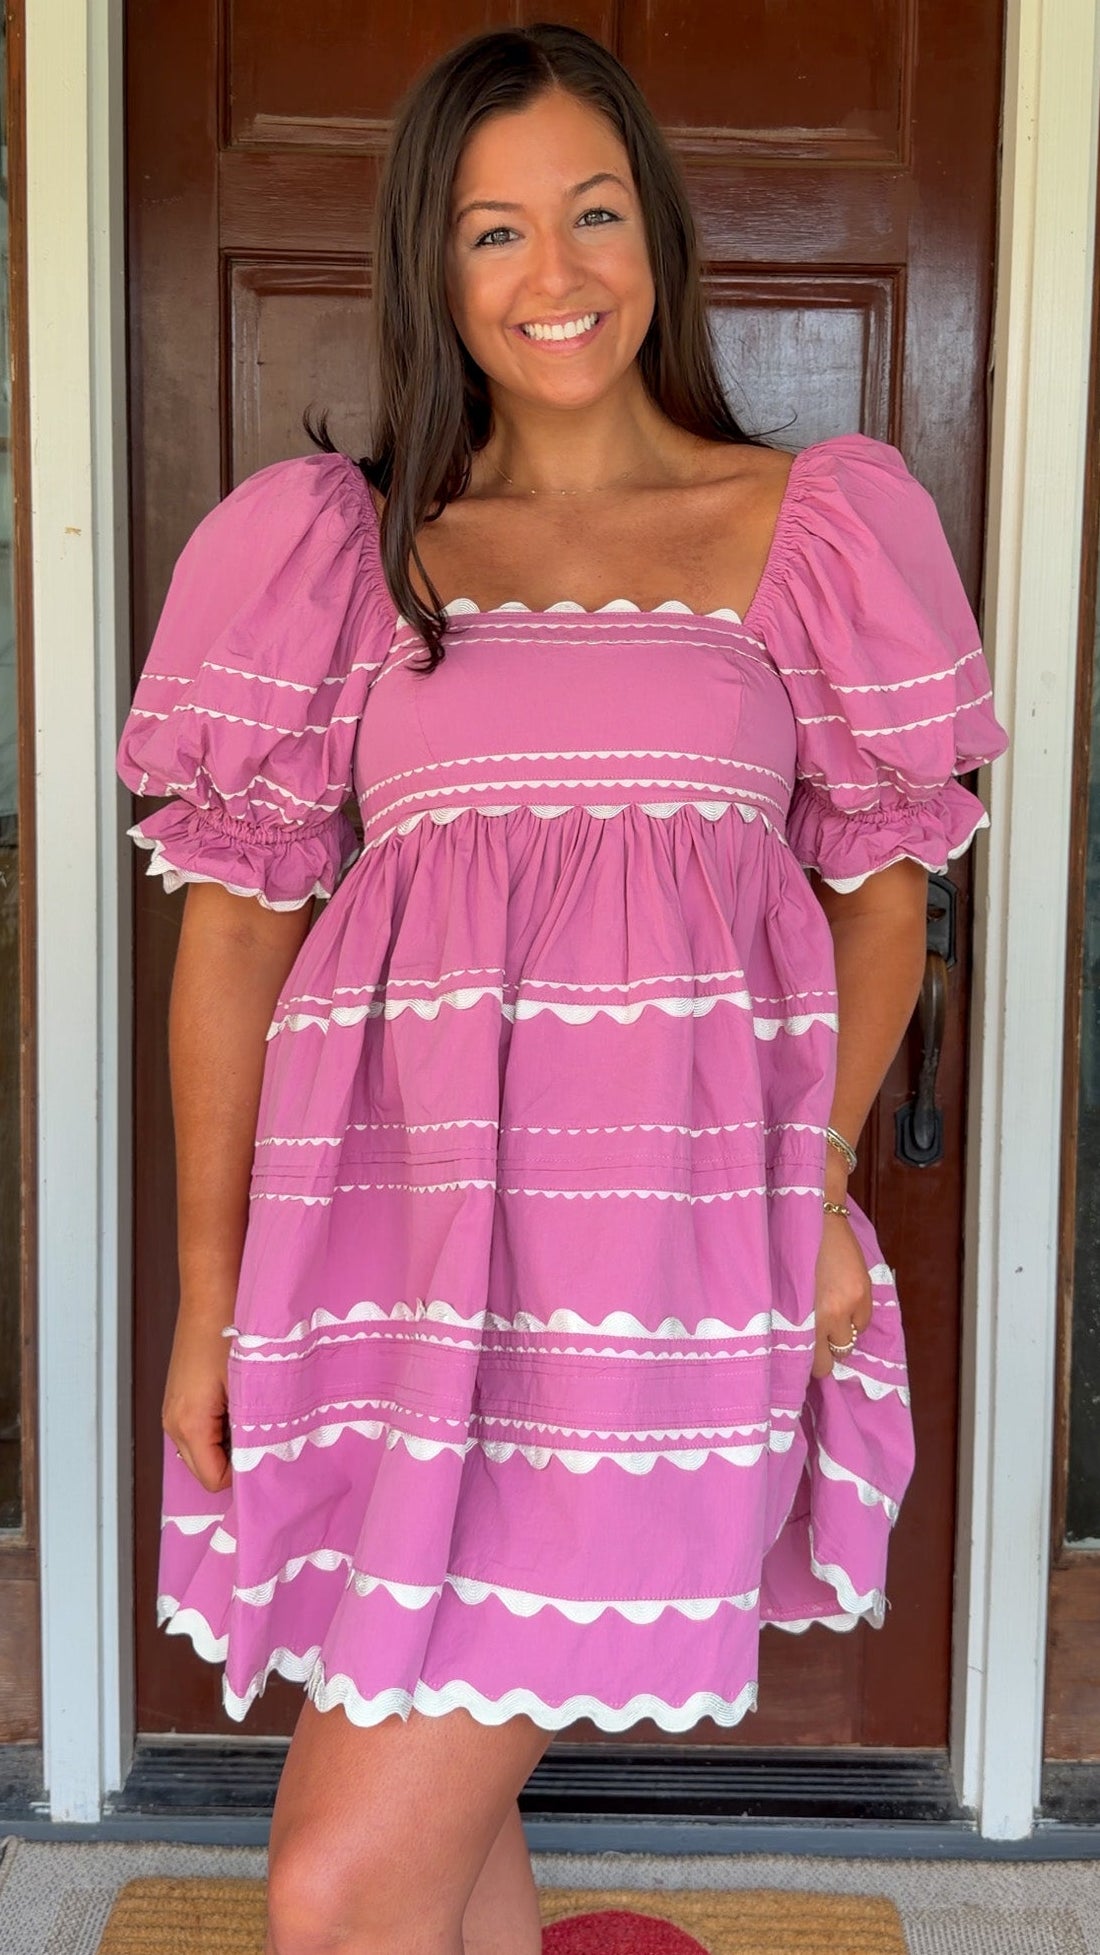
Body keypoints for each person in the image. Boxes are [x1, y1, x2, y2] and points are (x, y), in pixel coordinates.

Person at [116, 21, 1008, 1955]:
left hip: (662, 1275)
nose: (555, 276)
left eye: (593, 213)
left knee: (342, 1882)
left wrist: (818, 1177)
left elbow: (882, 895)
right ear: (429, 270)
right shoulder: (340, 554)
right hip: (397, 1262)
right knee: (429, 1841)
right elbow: (236, 943)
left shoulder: (815, 532)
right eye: (492, 231)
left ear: (659, 234)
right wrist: (207, 1306)